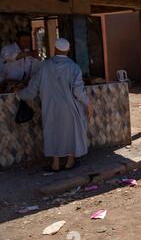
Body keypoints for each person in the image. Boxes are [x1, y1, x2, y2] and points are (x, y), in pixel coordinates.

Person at [18, 38, 94, 172]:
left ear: (54, 49)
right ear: (68, 50)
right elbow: (78, 91)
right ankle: (70, 162)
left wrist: (20, 94)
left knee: (53, 132)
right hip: (70, 107)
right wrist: (88, 103)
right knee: (72, 132)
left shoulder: (45, 66)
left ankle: (55, 163)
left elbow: (32, 89)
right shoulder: (74, 67)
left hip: (50, 107)